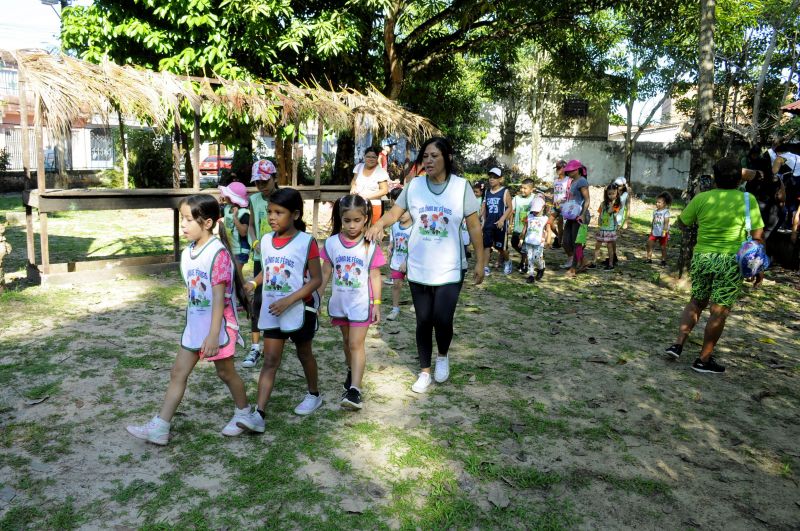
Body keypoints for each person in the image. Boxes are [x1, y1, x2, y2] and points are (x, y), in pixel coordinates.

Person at [126, 195, 251, 445]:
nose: (183, 225)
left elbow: (219, 299)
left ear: (206, 223)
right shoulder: (189, 252)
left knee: (226, 373)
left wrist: (214, 335)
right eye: (182, 218)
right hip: (195, 326)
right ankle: (161, 427)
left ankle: (245, 413)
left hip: (218, 326)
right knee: (177, 373)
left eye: (188, 219)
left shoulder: (218, 254)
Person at [365, 136, 485, 393]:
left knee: (442, 319)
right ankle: (424, 371)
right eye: (425, 156)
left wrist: (481, 261)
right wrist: (378, 224)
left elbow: (474, 225)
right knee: (423, 320)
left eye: (435, 156)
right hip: (419, 265)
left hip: (451, 267)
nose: (428, 161)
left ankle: (442, 355)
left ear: (447, 158)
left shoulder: (461, 187)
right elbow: (395, 213)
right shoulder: (415, 186)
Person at [665, 157, 765, 374]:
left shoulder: (702, 199)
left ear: (714, 178)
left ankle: (678, 344)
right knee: (718, 312)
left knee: (695, 303)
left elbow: (682, 224)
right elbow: (758, 236)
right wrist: (758, 267)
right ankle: (703, 359)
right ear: (739, 178)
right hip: (730, 262)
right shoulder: (748, 200)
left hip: (702, 258)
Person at [237, 189, 323, 432]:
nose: (272, 217)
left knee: (304, 354)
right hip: (273, 309)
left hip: (300, 309)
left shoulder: (307, 242)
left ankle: (314, 394)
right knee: (270, 360)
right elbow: (271, 269)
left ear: (295, 214)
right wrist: (253, 283)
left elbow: (315, 280)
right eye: (269, 212)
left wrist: (290, 300)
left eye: (278, 212)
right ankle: (259, 413)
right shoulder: (265, 241)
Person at [318, 194, 385, 410]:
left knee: (356, 344)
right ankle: (351, 370)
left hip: (361, 304)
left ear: (366, 218)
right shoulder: (331, 244)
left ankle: (355, 390)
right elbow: (325, 272)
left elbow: (375, 276)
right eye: (347, 221)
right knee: (347, 343)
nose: (352, 225)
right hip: (340, 303)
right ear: (340, 218)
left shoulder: (370, 245)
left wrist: (376, 304)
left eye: (357, 220)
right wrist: (317, 299)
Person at [242, 160, 278, 369]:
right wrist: (255, 242)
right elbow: (252, 225)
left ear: (275, 178)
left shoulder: (284, 197)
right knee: (258, 301)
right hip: (260, 259)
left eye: (265, 181)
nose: (262, 186)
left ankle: (275, 344)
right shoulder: (254, 199)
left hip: (280, 260)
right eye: (257, 182)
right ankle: (256, 347)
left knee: (278, 299)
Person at [560, 160, 590, 276]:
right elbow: (572, 199)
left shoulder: (582, 181)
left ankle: (573, 269)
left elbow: (587, 200)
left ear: (577, 170)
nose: (568, 172)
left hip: (579, 216)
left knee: (576, 242)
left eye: (570, 170)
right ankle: (584, 261)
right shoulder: (573, 181)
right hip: (571, 215)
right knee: (566, 241)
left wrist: (583, 214)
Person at [386, 188, 412, 321]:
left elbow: (416, 248)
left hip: (411, 262)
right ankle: (395, 308)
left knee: (415, 285)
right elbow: (393, 239)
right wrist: (390, 247)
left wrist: (407, 262)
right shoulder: (395, 226)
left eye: (405, 210)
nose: (402, 213)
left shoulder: (415, 228)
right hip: (397, 260)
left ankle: (418, 305)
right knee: (397, 284)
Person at [481, 167, 513, 275]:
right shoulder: (487, 192)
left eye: (495, 177)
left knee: (500, 247)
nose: (491, 179)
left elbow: (510, 207)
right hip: (489, 223)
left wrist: (502, 220)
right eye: (490, 177)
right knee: (486, 245)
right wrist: (482, 218)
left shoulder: (505, 191)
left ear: (501, 179)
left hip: (500, 224)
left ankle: (508, 261)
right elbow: (484, 206)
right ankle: (485, 267)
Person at [218, 181, 251, 279]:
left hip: (241, 250)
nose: (224, 196)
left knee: (237, 274)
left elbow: (243, 232)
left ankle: (244, 292)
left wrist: (235, 218)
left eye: (227, 195)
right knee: (231, 274)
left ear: (233, 199)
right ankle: (238, 293)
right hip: (231, 248)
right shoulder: (227, 208)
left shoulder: (244, 213)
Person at [351, 146, 390, 225]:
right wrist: (353, 187)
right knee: (357, 229)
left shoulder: (380, 172)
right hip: (357, 204)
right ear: (364, 157)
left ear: (377, 158)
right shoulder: (358, 167)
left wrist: (366, 197)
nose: (370, 159)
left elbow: (384, 190)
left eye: (373, 157)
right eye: (368, 156)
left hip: (373, 206)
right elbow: (354, 180)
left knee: (371, 232)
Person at [588, 184, 622, 271]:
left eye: (613, 193)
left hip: (610, 230)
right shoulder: (603, 204)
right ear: (606, 194)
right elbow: (600, 213)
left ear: (617, 193)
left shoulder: (617, 205)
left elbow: (612, 212)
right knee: (597, 246)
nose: (611, 196)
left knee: (609, 247)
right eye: (609, 194)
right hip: (602, 229)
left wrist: (612, 204)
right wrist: (598, 222)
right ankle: (594, 262)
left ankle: (611, 264)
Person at [520, 195, 551, 283]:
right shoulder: (529, 217)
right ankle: (531, 275)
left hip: (539, 242)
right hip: (529, 241)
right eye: (533, 210)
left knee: (536, 258)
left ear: (543, 208)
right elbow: (525, 228)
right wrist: (521, 237)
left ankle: (541, 267)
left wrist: (548, 241)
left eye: (537, 210)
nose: (535, 212)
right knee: (530, 258)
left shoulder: (545, 219)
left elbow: (548, 230)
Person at [511, 178, 535, 273]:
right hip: (518, 227)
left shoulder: (534, 198)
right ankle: (526, 257)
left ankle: (524, 263)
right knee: (514, 243)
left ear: (532, 189)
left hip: (529, 228)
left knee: (525, 246)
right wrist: (510, 224)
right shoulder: (517, 198)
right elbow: (511, 210)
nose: (522, 190)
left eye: (525, 188)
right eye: (521, 188)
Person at [646, 192, 672, 265]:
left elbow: (666, 223)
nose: (657, 204)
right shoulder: (655, 212)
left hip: (663, 232)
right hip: (654, 232)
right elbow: (653, 221)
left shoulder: (666, 212)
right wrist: (651, 230)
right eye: (656, 202)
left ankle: (663, 260)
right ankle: (649, 258)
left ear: (665, 204)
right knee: (649, 244)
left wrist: (664, 232)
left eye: (659, 202)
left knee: (663, 247)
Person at [551, 159, 569, 247]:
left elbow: (569, 194)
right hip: (555, 206)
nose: (557, 170)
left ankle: (559, 242)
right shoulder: (555, 180)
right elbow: (555, 193)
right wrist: (553, 200)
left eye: (559, 168)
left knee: (560, 223)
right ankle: (558, 236)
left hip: (564, 206)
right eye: (556, 168)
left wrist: (561, 200)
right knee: (549, 222)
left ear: (564, 168)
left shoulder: (568, 180)